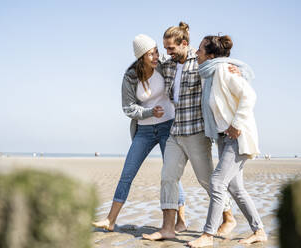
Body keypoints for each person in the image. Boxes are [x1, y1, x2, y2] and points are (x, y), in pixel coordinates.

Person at [142, 22, 245, 241]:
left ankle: (229, 218)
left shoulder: (201, 63)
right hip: (176, 131)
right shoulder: (168, 66)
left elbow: (225, 68)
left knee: (207, 180)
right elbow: (146, 65)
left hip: (197, 131)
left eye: (171, 48)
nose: (167, 53)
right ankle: (168, 227)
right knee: (168, 177)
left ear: (184, 44)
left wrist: (239, 70)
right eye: (165, 48)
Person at [92, 34, 187, 232]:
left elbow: (187, 56)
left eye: (156, 52)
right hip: (143, 130)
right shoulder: (130, 76)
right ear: (141, 56)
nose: (156, 57)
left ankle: (181, 221)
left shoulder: (164, 65)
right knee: (127, 173)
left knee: (171, 173)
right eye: (150, 54)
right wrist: (149, 112)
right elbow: (128, 108)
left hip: (167, 126)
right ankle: (110, 220)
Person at [187, 35, 268, 247]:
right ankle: (259, 231)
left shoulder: (223, 70)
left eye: (200, 50)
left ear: (211, 55)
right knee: (235, 188)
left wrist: (237, 124)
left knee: (217, 182)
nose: (197, 53)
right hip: (224, 137)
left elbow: (249, 95)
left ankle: (207, 235)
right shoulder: (209, 74)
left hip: (237, 137)